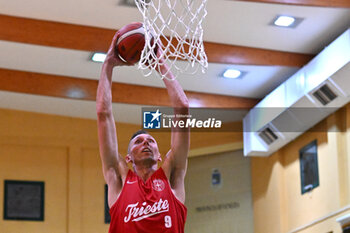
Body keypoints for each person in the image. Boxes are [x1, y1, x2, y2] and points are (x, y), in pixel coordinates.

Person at [96, 31, 190, 233]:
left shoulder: (172, 178)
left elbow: (182, 107)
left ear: (159, 154)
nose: (146, 142)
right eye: (138, 141)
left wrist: (161, 64)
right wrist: (109, 64)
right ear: (128, 157)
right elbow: (103, 114)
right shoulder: (119, 180)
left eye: (151, 141)